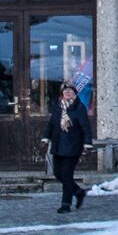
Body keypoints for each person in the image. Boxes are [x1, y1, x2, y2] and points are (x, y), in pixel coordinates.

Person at [45, 81, 93, 213]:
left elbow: (86, 128)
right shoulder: (58, 107)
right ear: (62, 93)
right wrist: (45, 138)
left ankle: (65, 204)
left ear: (74, 93)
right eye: (65, 90)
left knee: (66, 175)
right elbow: (51, 124)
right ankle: (78, 192)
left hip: (73, 146)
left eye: (70, 90)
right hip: (58, 145)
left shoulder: (79, 108)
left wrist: (87, 145)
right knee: (58, 174)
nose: (67, 92)